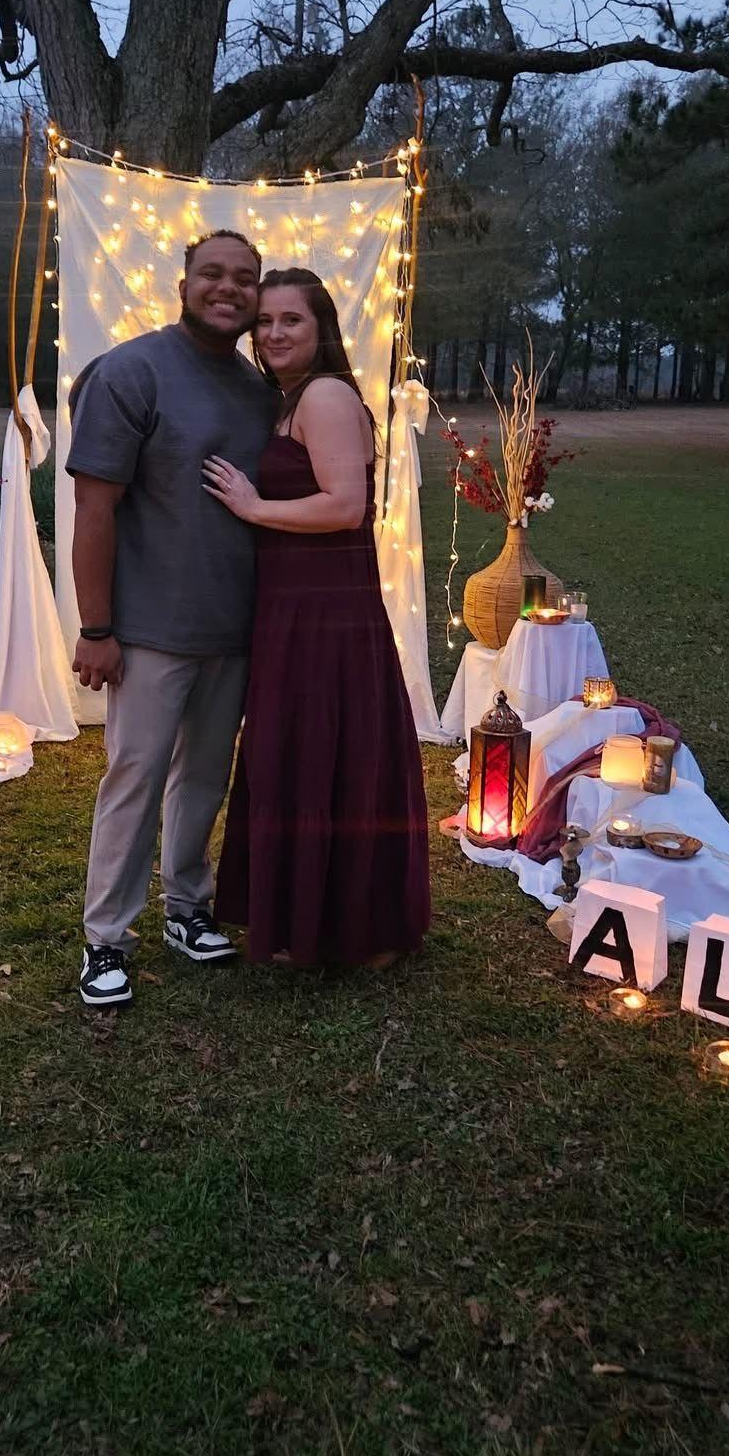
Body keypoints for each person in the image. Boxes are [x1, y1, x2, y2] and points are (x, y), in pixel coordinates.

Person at [64, 229, 280, 1008]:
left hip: (235, 626)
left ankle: (188, 907)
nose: (229, 288)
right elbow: (94, 510)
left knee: (204, 779)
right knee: (136, 777)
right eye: (212, 274)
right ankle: (105, 939)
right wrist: (97, 629)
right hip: (150, 630)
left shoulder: (260, 391)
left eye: (245, 279)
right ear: (183, 284)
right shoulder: (131, 372)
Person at [202, 267, 431, 966]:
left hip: (326, 610)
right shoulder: (289, 398)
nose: (273, 333)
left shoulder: (326, 395)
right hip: (295, 605)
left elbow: (344, 505)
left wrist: (254, 507)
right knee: (301, 752)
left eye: (290, 320)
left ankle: (348, 926)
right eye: (263, 322)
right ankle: (310, 918)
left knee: (325, 750)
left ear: (321, 327)